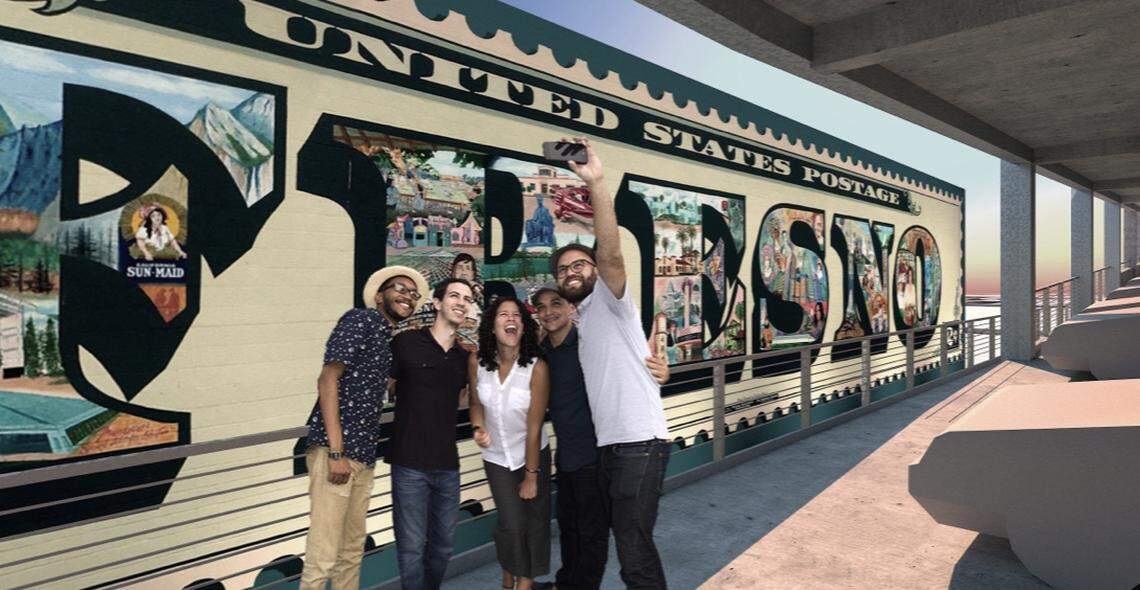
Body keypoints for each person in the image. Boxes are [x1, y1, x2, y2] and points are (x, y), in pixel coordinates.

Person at [551, 137, 671, 589]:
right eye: (563, 271)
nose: (571, 272)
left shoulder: (611, 300)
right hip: (613, 448)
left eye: (579, 265)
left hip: (639, 444)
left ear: (596, 273)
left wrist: (596, 184)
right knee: (630, 544)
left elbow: (611, 252)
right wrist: (661, 369)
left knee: (634, 549)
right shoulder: (581, 322)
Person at [531, 286, 670, 590]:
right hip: (566, 456)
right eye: (541, 307)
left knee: (592, 535)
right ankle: (566, 583)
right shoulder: (542, 352)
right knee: (569, 529)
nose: (549, 311)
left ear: (571, 308)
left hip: (594, 456)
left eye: (556, 303)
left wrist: (659, 369)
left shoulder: (588, 344)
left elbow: (629, 360)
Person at [300, 265, 429, 590]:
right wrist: (336, 451)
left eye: (413, 294)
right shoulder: (362, 319)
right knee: (323, 557)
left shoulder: (388, 340)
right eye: (400, 288)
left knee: (351, 552)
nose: (408, 297)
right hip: (337, 453)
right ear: (378, 295)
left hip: (363, 457)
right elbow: (327, 379)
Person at [387, 278, 475, 590]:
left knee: (443, 547)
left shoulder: (466, 358)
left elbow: (466, 398)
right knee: (411, 549)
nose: (461, 302)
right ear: (437, 303)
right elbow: (385, 385)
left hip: (447, 465)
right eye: (454, 295)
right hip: (409, 463)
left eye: (467, 298)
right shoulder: (406, 343)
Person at [468, 297, 552, 590]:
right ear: (492, 325)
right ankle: (510, 572)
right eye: (503, 314)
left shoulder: (536, 367)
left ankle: (523, 582)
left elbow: (533, 425)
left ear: (523, 326)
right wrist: (478, 427)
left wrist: (531, 475)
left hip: (532, 453)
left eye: (516, 314)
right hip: (495, 457)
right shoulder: (477, 361)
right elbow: (476, 404)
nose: (510, 318)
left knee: (535, 520)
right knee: (511, 522)